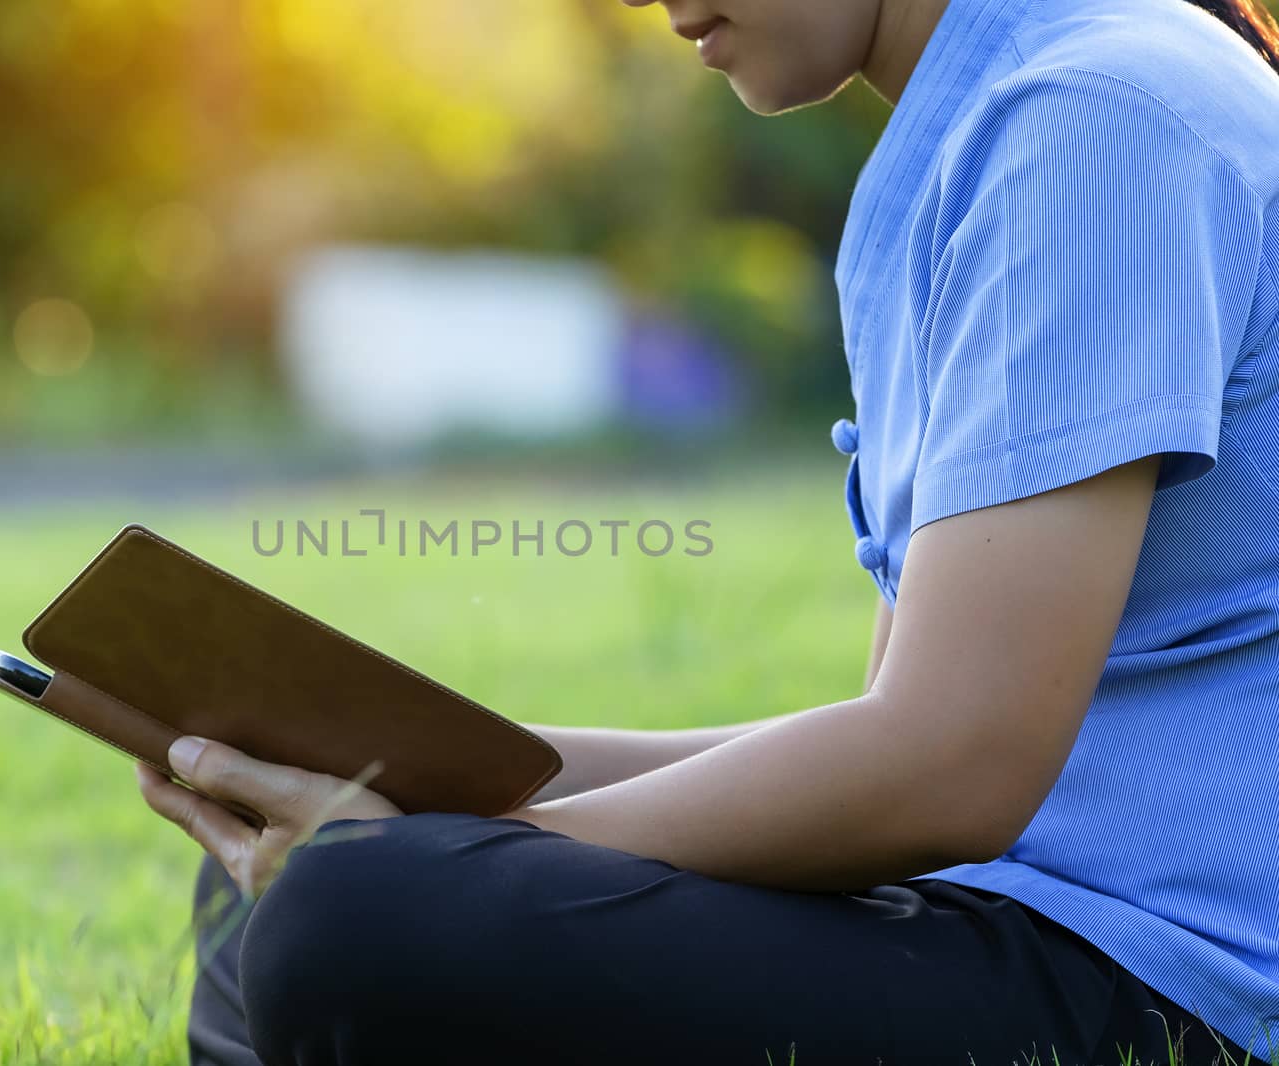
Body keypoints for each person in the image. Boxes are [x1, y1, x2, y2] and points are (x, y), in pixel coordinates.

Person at [134, 0, 1279, 1061]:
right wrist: (433, 776)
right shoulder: (1002, 120)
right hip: (1020, 910)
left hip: (1173, 991)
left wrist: (479, 845)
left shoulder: (1085, 119)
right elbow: (897, 730)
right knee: (301, 864)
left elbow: (952, 767)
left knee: (355, 906)